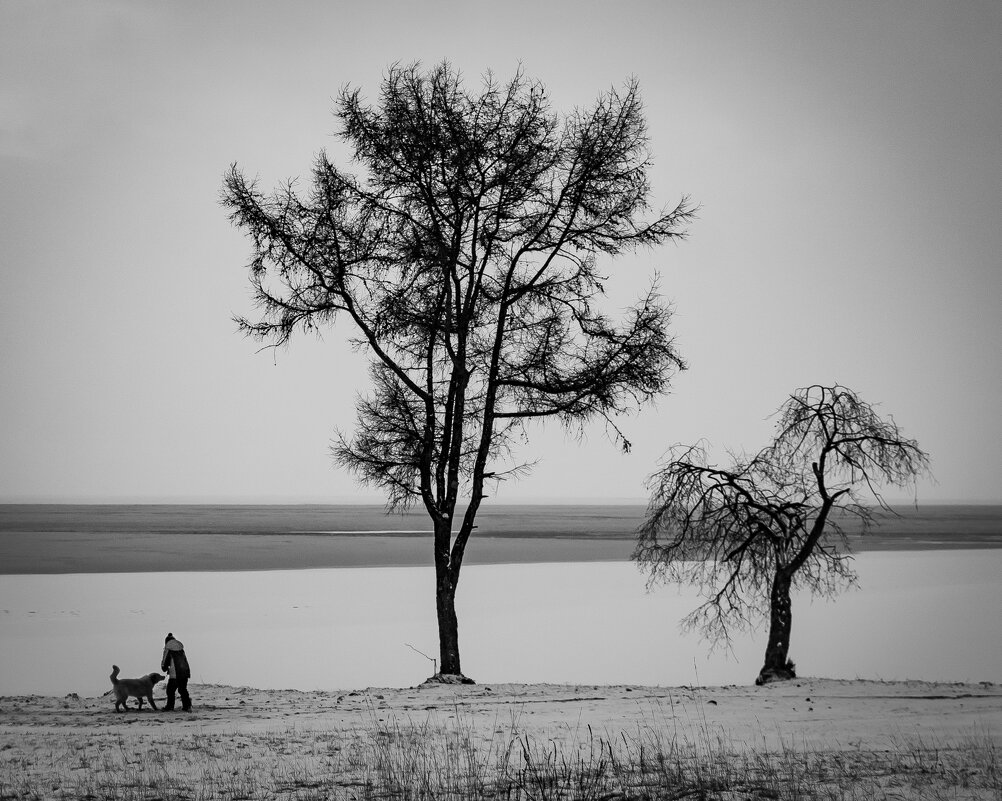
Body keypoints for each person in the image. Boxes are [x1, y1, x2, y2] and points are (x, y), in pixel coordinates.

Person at [160, 632, 192, 711]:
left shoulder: (168, 649)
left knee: (170, 691)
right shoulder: (181, 649)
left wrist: (165, 668)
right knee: (183, 690)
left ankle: (170, 706)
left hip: (175, 674)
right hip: (184, 673)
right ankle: (187, 706)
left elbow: (164, 664)